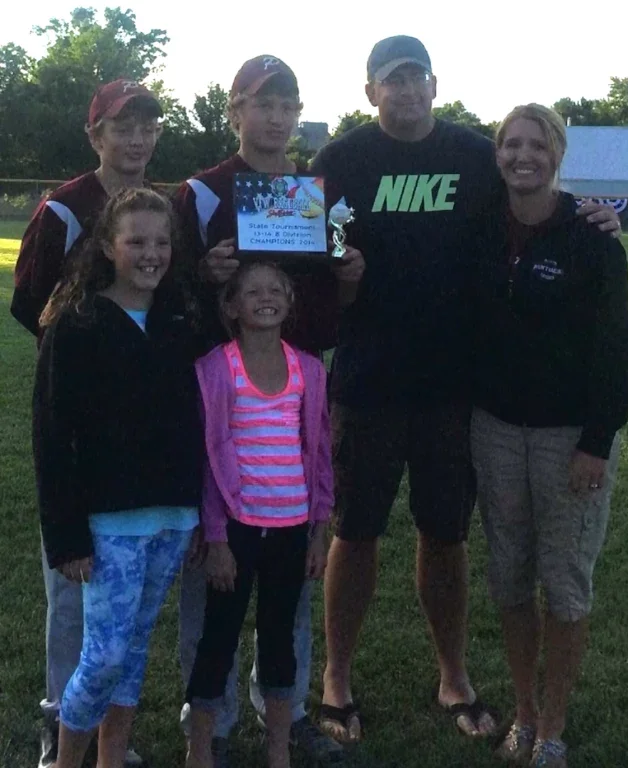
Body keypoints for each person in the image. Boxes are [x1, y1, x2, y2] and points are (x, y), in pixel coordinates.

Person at [309, 35, 622, 743]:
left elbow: (530, 189)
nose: (408, 90)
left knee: (444, 533)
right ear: (371, 92)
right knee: (354, 532)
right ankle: (336, 677)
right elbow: (304, 250)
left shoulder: (471, 156)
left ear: (435, 84)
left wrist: (588, 213)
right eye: (393, 80)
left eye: (418, 77)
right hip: (367, 382)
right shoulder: (341, 160)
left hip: (455, 387)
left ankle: (453, 674)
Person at [174, 55, 363, 766]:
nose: (276, 117)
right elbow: (169, 297)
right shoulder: (200, 193)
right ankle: (212, 727)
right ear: (234, 112)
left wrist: (351, 278)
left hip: (296, 395)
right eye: (262, 103)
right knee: (213, 588)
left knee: (287, 595)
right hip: (223, 398)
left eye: (288, 104)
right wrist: (205, 273)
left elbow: (328, 308)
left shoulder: (314, 193)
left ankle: (282, 716)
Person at [469, 104, 628, 768]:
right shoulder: (480, 230)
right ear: (498, 153)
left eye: (537, 144)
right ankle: (525, 713)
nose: (522, 155)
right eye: (511, 144)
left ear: (559, 154)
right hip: (496, 430)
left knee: (564, 584)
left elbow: (615, 352)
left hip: (572, 438)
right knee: (509, 577)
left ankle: (555, 729)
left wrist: (597, 439)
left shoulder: (593, 238)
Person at [13, 78, 164, 768]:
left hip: (142, 426)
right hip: (79, 416)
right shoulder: (67, 209)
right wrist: (74, 355)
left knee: (122, 605)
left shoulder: (163, 207)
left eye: (146, 126)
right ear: (95, 135)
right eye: (122, 127)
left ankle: (107, 740)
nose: (136, 139)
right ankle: (59, 722)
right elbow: (30, 305)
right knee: (74, 587)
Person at [33, 188, 203, 768]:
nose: (150, 253)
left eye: (161, 241)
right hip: (107, 523)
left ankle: (112, 759)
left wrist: (201, 512)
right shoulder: (76, 323)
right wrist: (66, 535)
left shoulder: (182, 319)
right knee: (102, 657)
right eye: (136, 241)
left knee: (133, 652)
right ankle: (67, 761)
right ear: (108, 245)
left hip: (174, 516)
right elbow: (52, 437)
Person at [184, 261, 333, 768]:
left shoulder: (308, 370)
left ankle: (278, 750)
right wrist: (217, 537)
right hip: (238, 529)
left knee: (280, 639)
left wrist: (319, 530)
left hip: (292, 528)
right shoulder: (215, 370)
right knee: (217, 640)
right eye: (252, 292)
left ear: (290, 303)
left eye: (276, 291)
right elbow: (206, 460)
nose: (265, 299)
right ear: (231, 306)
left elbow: (320, 456)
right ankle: (200, 746)